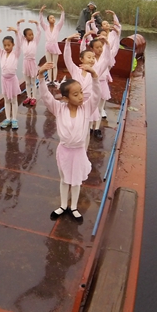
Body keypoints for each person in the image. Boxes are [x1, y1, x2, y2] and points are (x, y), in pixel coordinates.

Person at [37, 61, 100, 222]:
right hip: (64, 150)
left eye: (80, 92)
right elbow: (46, 97)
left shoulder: (86, 108)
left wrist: (94, 76)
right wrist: (40, 77)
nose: (80, 97)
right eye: (76, 94)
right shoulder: (59, 108)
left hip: (78, 151)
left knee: (77, 181)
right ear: (65, 98)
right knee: (65, 179)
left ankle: (74, 207)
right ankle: (64, 205)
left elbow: (96, 95)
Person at [0, 28, 21, 130]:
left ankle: (14, 119)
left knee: (13, 100)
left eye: (9, 45)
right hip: (4, 80)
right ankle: (8, 118)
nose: (7, 47)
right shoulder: (2, 53)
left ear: (13, 45)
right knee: (6, 100)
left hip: (12, 79)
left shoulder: (16, 53)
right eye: (5, 45)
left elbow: (19, 43)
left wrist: (16, 33)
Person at [16, 18, 41, 107]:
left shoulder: (35, 41)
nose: (31, 36)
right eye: (29, 35)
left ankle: (33, 97)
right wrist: (18, 24)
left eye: (32, 34)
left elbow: (39, 32)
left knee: (33, 81)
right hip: (25, 63)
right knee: (27, 82)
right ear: (25, 36)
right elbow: (18, 34)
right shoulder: (23, 42)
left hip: (32, 63)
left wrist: (36, 23)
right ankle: (29, 97)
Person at [39, 4, 65, 86]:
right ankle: (50, 80)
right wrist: (41, 12)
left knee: (54, 64)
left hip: (55, 46)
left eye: (54, 18)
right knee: (49, 63)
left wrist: (62, 10)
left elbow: (62, 20)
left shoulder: (57, 27)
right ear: (48, 20)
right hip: (48, 46)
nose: (53, 19)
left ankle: (54, 79)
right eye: (51, 18)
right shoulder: (45, 27)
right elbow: (41, 22)